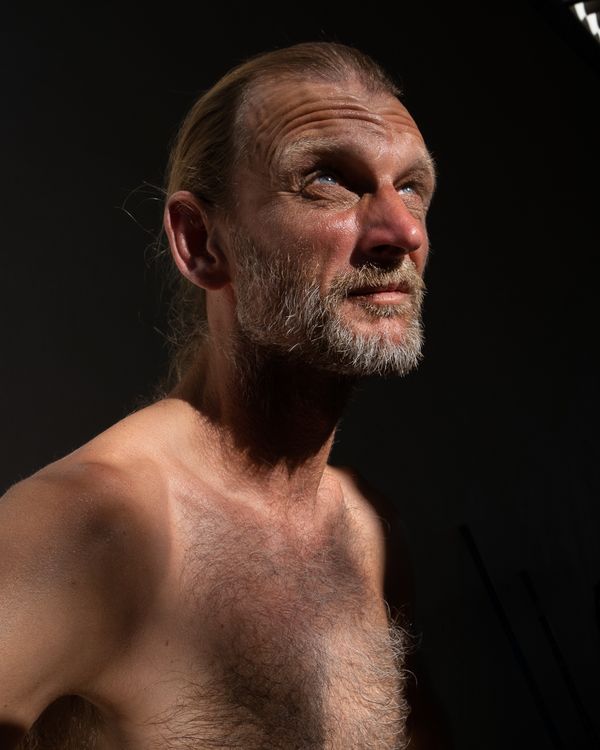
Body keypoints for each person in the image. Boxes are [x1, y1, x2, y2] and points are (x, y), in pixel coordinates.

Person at [0, 41, 446, 749]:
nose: (404, 231)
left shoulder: (367, 530)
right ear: (201, 241)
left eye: (412, 186)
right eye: (328, 179)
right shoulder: (86, 529)